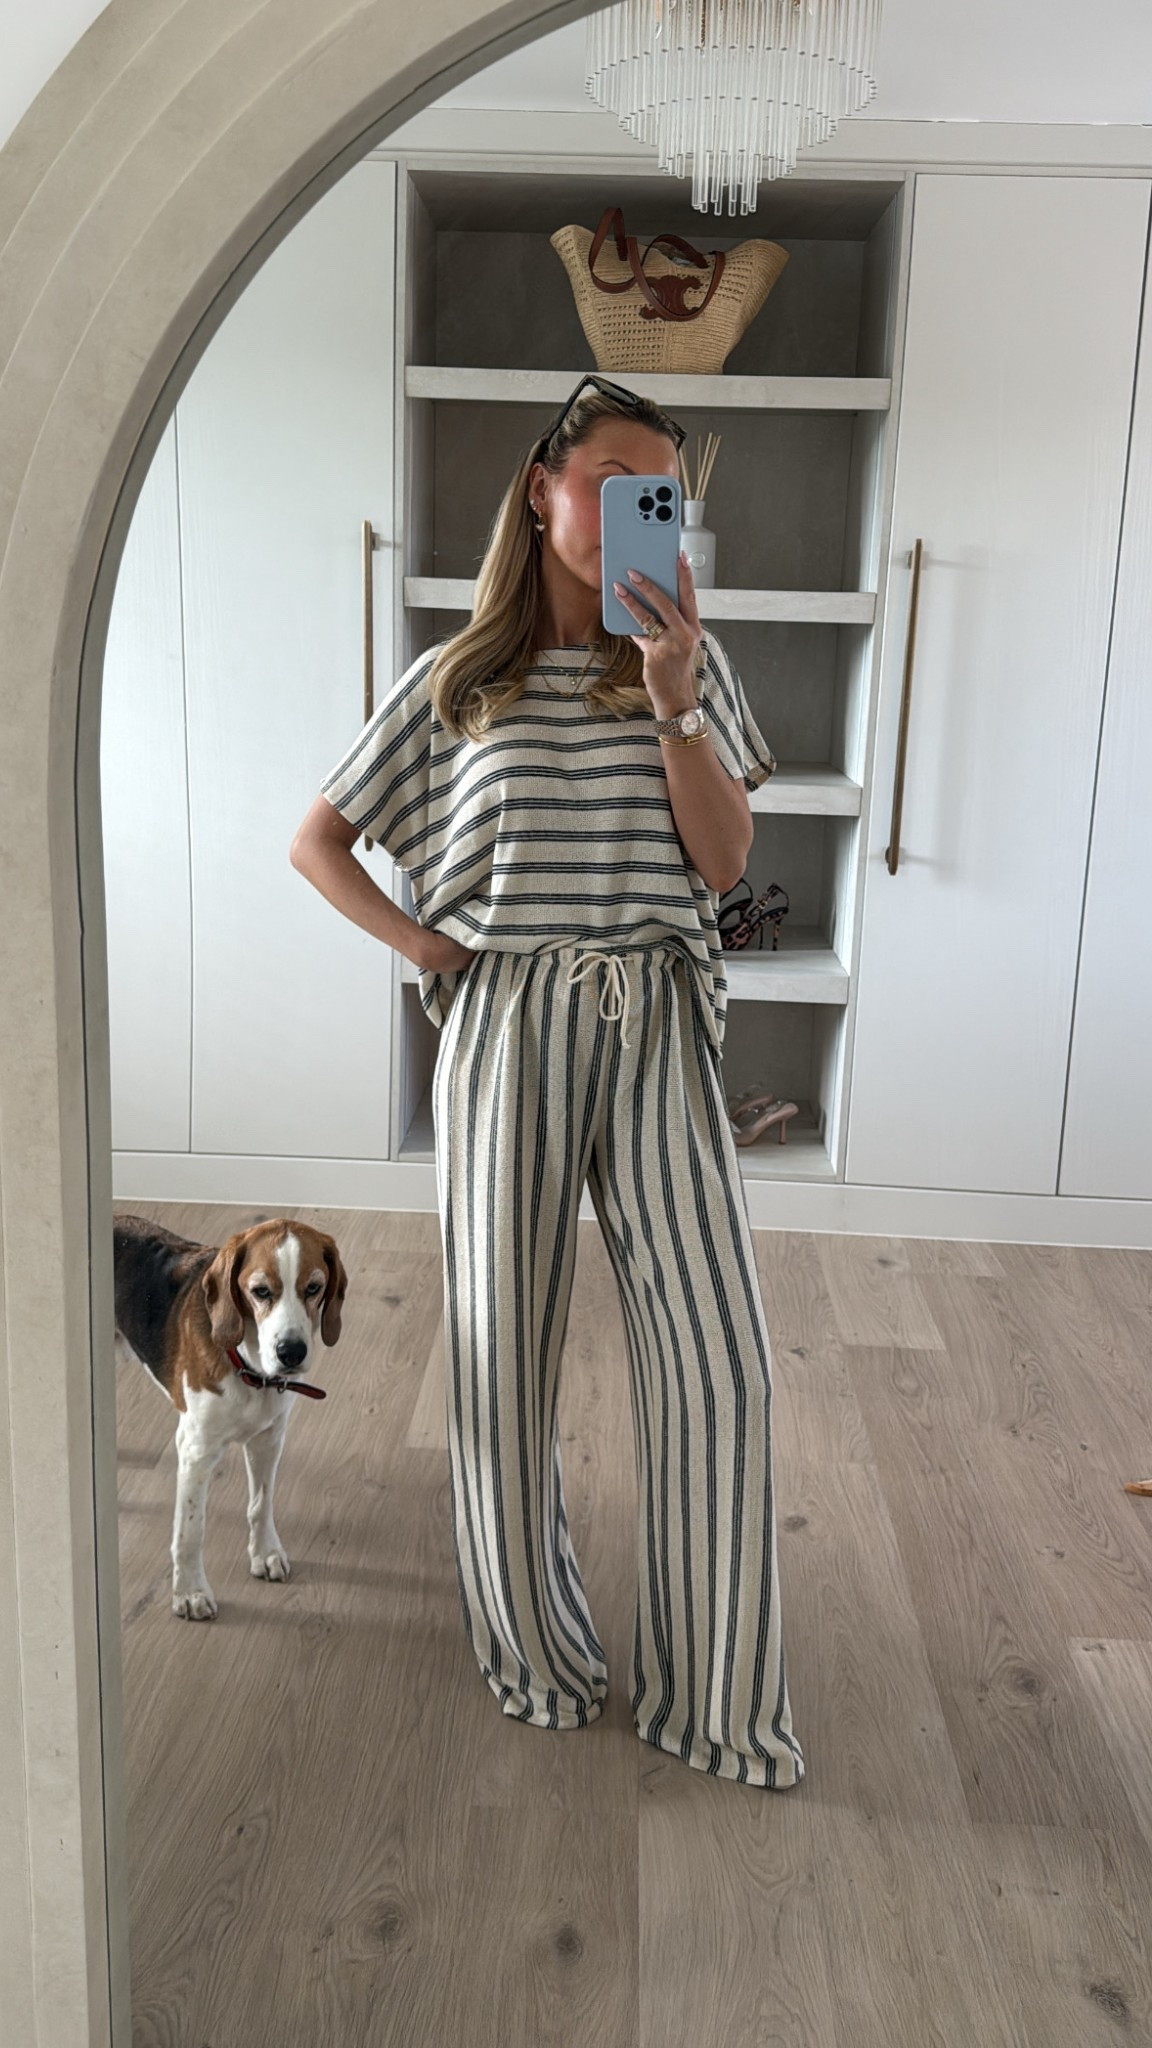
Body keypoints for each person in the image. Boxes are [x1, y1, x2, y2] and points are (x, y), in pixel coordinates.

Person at [290, 374, 805, 1789]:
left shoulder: (691, 661)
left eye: (661, 495)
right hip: (509, 1020)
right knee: (500, 1358)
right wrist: (428, 950)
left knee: (720, 1360)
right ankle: (540, 1655)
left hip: (656, 1014)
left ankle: (716, 1698)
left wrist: (673, 698)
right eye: (611, 482)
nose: (638, 510)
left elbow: (723, 866)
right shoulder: (457, 680)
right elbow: (318, 842)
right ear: (540, 489)